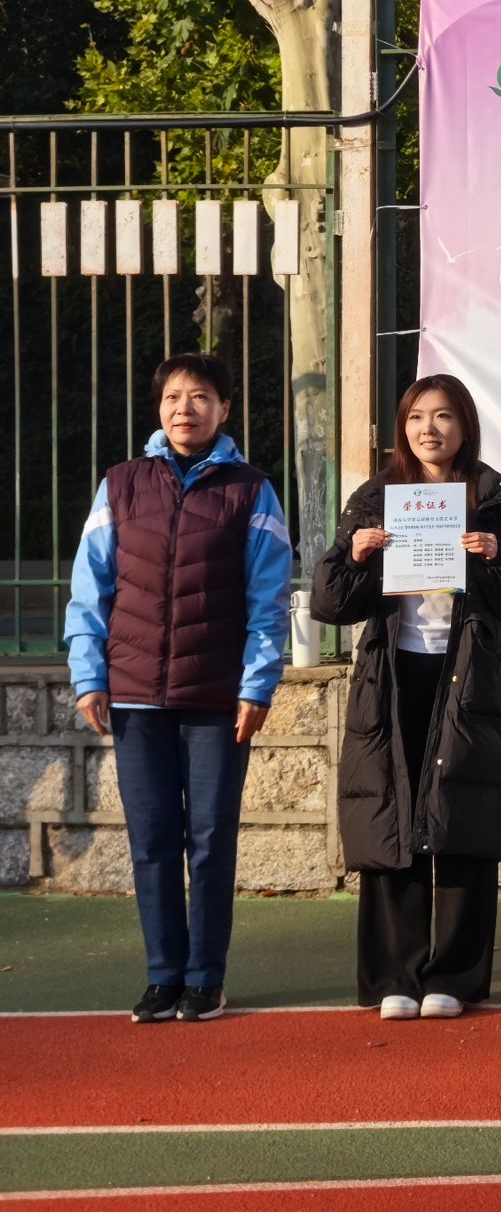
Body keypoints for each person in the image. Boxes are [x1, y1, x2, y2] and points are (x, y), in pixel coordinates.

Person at [311, 374, 501, 1021]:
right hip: (393, 675)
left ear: (465, 427)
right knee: (392, 813)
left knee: (463, 817)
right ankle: (396, 975)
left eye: (444, 416)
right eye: (417, 417)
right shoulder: (375, 498)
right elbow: (330, 600)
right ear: (403, 428)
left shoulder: (494, 501)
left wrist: (495, 556)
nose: (429, 429)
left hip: (469, 674)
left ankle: (456, 977)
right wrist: (356, 555)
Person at [64, 352, 291, 1024]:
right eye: (172, 398)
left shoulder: (251, 491)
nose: (184, 408)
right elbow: (89, 588)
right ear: (159, 409)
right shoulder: (121, 485)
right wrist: (89, 675)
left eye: (199, 397)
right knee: (152, 841)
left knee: (212, 841)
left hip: (218, 699)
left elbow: (269, 600)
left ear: (224, 409)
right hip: (135, 697)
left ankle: (205, 980)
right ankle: (163, 977)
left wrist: (256, 686)